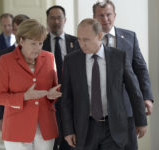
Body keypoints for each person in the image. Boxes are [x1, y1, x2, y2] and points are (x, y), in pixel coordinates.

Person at [61, 18, 147, 150]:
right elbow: (66, 98)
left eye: (86, 39)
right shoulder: (71, 60)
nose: (81, 43)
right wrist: (68, 130)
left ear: (99, 36)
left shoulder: (119, 57)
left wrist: (141, 121)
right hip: (85, 127)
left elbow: (134, 91)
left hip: (113, 127)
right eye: (79, 39)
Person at [92, 1, 153, 149]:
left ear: (115, 15)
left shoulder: (130, 37)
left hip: (127, 106)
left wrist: (147, 97)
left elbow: (140, 69)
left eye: (108, 14)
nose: (105, 19)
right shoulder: (87, 40)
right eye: (101, 15)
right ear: (94, 17)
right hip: (98, 110)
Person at [0, 19, 62, 150]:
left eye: (40, 43)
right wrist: (24, 96)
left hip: (45, 128)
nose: (37, 48)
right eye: (33, 44)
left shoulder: (49, 58)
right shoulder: (6, 60)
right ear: (21, 41)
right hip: (17, 128)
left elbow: (54, 89)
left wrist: (53, 95)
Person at [42, 5, 79, 150]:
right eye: (52, 18)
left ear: (65, 20)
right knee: (50, 140)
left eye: (59, 18)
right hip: (47, 98)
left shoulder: (76, 42)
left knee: (70, 140)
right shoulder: (41, 43)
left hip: (72, 98)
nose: (56, 21)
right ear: (47, 20)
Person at [0, 14, 30, 131]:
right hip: (12, 112)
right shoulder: (3, 56)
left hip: (37, 112)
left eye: (25, 29)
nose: (21, 34)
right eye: (17, 30)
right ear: (13, 31)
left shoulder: (43, 54)